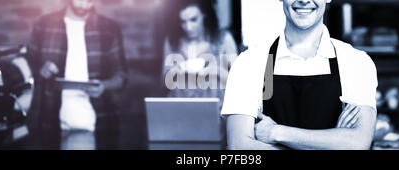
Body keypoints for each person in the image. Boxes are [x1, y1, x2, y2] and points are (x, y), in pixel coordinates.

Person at [221, 0, 378, 150]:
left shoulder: (355, 61)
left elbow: (358, 142)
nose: (304, 0)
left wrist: (276, 132)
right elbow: (238, 146)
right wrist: (331, 144)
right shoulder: (250, 62)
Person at [28, 0, 127, 149]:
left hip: (100, 125)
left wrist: (104, 86)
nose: (85, 5)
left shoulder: (109, 28)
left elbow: (122, 75)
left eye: (91, 1)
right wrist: (41, 70)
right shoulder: (44, 25)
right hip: (51, 124)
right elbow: (27, 66)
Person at [162, 0, 238, 101]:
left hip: (216, 108)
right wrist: (176, 70)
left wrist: (217, 70)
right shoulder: (172, 42)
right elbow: (163, 84)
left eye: (193, 20)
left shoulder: (223, 39)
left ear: (204, 14)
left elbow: (239, 82)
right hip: (181, 106)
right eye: (183, 22)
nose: (188, 27)